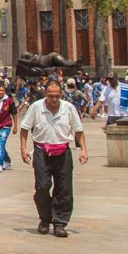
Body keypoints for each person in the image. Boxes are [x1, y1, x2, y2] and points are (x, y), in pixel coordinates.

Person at [19, 80, 87, 237]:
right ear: (45, 94)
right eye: (51, 96)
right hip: (41, 151)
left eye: (57, 96)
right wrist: (23, 149)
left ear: (61, 95)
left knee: (64, 189)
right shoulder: (36, 107)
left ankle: (59, 223)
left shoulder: (69, 108)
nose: (54, 99)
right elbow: (24, 128)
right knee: (42, 187)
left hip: (63, 151)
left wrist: (83, 150)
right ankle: (45, 218)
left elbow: (78, 130)